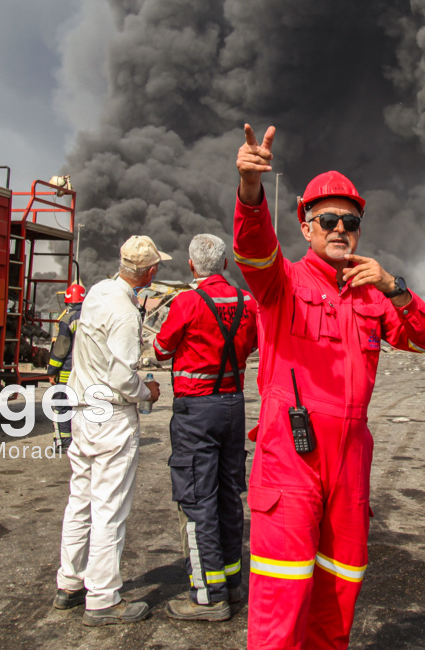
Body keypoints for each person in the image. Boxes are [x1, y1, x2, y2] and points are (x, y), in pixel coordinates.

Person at [232, 124, 425, 649]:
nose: (340, 229)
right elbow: (253, 250)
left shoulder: (373, 296)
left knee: (339, 597)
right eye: (327, 219)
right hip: (291, 459)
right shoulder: (281, 283)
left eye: (349, 221)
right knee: (281, 601)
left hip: (350, 463)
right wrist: (249, 191)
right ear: (306, 228)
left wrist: (394, 288)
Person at [54, 235, 170, 626]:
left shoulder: (99, 291)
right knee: (109, 508)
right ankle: (103, 599)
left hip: (82, 413)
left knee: (80, 499)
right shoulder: (123, 311)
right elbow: (122, 376)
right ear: (151, 272)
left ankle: (69, 582)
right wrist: (147, 391)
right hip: (112, 419)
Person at [152, 233, 259, 621]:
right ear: (226, 265)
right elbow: (255, 345)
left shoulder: (187, 303)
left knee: (197, 499)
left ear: (192, 265)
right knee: (229, 493)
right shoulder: (248, 302)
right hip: (233, 406)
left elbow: (162, 349)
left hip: (196, 410)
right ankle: (232, 583)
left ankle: (208, 595)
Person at [48, 282, 86, 452]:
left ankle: (63, 442)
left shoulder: (67, 319)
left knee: (61, 405)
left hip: (67, 372)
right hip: (87, 372)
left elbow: (61, 349)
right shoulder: (92, 316)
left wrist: (51, 371)